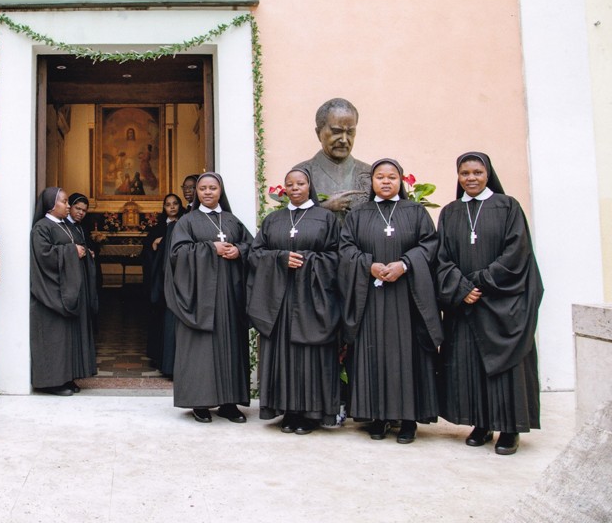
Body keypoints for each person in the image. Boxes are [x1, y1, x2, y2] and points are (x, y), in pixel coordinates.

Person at [436, 152, 544, 455]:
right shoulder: (450, 212)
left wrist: (480, 282)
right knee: (471, 365)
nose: (471, 178)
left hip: (501, 302)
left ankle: (509, 429)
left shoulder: (508, 206)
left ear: (488, 174)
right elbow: (441, 257)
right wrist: (461, 287)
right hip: (466, 303)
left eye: (477, 172)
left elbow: (516, 253)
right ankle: (481, 423)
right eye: (465, 173)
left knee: (506, 367)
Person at [338, 158, 442, 444]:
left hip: (407, 298)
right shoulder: (358, 214)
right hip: (371, 297)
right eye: (380, 177)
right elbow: (346, 249)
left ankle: (408, 420)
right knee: (374, 354)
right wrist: (368, 265)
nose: (385, 182)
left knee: (407, 355)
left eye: (392, 177)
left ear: (400, 181)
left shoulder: (416, 211)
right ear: (371, 182)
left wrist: (405, 264)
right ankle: (378, 416)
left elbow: (430, 245)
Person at [247, 167, 343, 434]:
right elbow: (255, 254)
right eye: (290, 184)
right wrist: (279, 259)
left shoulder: (326, 218)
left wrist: (308, 260)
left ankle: (310, 414)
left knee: (309, 356)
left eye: (300, 183)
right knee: (283, 354)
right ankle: (287, 411)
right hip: (279, 300)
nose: (295, 188)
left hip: (313, 299)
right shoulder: (273, 219)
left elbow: (338, 256)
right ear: (284, 188)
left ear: (309, 186)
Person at [165, 172, 253, 423]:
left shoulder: (232, 221)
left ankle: (229, 403)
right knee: (200, 350)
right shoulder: (187, 221)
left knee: (230, 346)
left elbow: (253, 247)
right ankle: (200, 403)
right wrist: (210, 248)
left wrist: (239, 251)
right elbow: (177, 254)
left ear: (220, 191)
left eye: (212, 188)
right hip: (199, 297)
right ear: (197, 192)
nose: (207, 192)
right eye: (203, 188)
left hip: (229, 295)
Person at [29, 187, 94, 395]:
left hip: (69, 289)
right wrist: (72, 251)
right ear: (51, 204)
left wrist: (83, 251)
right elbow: (44, 255)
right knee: (55, 339)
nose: (68, 206)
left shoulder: (65, 225)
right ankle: (52, 382)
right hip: (52, 292)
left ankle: (67, 377)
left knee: (68, 338)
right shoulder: (42, 227)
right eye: (64, 202)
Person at [294, 98, 372, 221]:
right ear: (318, 133)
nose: (344, 140)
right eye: (336, 131)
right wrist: (323, 207)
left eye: (350, 132)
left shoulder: (370, 174)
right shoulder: (301, 174)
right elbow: (290, 220)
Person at [143, 193, 184, 376]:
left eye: (175, 203)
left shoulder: (185, 224)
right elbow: (147, 253)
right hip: (160, 280)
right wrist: (155, 245)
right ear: (164, 207)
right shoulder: (158, 228)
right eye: (168, 204)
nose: (172, 207)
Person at [65, 192, 98, 385]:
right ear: (69, 206)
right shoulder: (63, 226)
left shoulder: (80, 227)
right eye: (78, 208)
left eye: (84, 210)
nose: (81, 213)